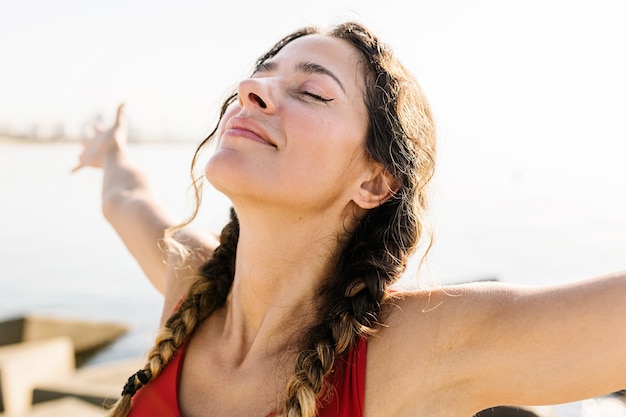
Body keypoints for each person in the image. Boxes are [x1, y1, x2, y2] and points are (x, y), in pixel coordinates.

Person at [72, 21, 626, 417]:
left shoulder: (411, 350)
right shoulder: (192, 284)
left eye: (311, 91)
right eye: (259, 76)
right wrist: (110, 152)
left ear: (374, 182)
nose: (251, 91)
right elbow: (125, 195)